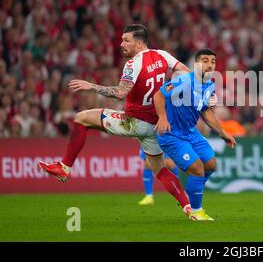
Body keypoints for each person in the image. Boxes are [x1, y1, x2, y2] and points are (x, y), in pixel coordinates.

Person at [39, 24, 193, 217]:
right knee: (160, 170)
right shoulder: (162, 55)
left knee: (82, 118)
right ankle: (189, 207)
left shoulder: (133, 64)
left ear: (138, 43)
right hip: (153, 126)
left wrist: (91, 86)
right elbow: (187, 73)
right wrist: (170, 90)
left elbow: (120, 93)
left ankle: (64, 167)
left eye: (126, 40)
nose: (122, 44)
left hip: (133, 122)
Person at [153, 48, 237, 221]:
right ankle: (196, 211)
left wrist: (222, 133)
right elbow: (159, 95)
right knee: (197, 168)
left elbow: (206, 112)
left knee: (211, 164)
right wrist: (162, 118)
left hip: (192, 133)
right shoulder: (183, 80)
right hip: (172, 134)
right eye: (205, 61)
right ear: (196, 64)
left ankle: (192, 193)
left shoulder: (209, 85)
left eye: (212, 61)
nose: (209, 65)